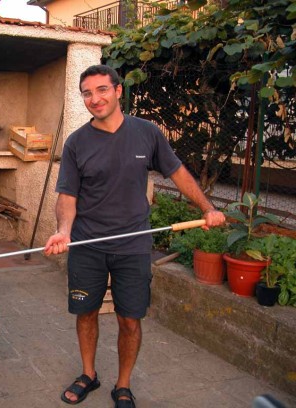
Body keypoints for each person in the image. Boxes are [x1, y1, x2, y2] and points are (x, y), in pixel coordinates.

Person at [44, 65, 226, 407]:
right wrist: (63, 231)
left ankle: (123, 384)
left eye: (101, 90)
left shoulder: (147, 133)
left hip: (133, 245)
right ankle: (89, 374)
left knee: (130, 319)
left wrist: (207, 208)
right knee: (87, 312)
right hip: (88, 244)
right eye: (87, 93)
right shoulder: (76, 143)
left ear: (117, 91)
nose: (94, 99)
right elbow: (67, 196)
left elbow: (178, 173)